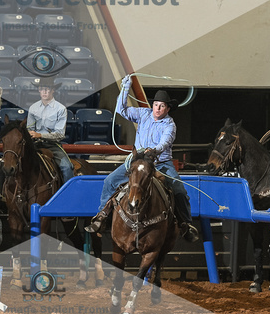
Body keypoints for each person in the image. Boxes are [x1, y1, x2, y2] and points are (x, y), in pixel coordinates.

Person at [85, 75, 199, 243]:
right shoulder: (143, 114)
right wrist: (125, 89)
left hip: (160, 163)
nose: (158, 108)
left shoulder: (169, 124)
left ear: (167, 109)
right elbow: (121, 110)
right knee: (110, 181)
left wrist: (154, 150)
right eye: (156, 105)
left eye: (162, 106)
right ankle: (101, 216)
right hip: (137, 162)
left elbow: (165, 142)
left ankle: (185, 224)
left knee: (179, 191)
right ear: (152, 105)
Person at [26, 76, 74, 182]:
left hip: (53, 145)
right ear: (39, 90)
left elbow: (60, 134)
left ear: (53, 90)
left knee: (67, 167)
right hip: (34, 144)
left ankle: (68, 194)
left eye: (47, 89)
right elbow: (29, 129)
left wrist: (40, 135)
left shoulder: (60, 109)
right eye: (42, 89)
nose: (44, 92)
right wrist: (31, 134)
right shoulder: (33, 108)